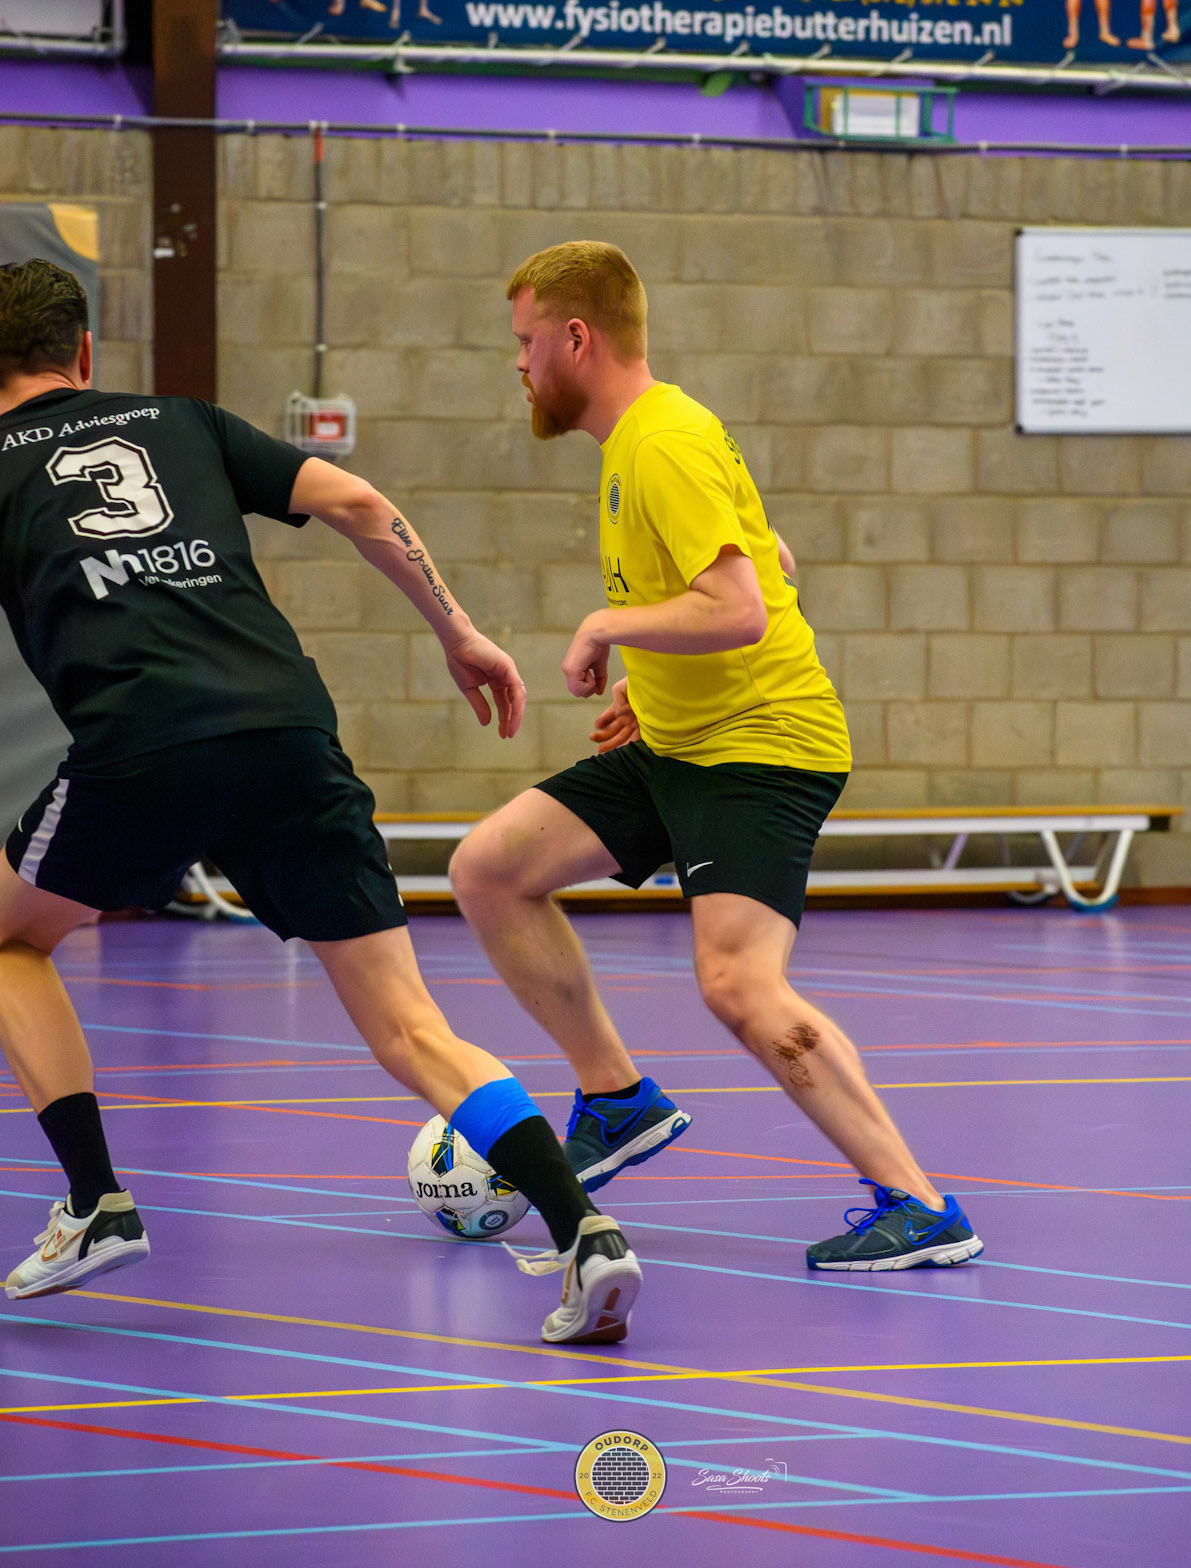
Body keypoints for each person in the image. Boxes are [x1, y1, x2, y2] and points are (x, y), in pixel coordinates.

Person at [0, 259, 639, 1344]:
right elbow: (361, 502)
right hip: (288, 731)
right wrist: (460, 633)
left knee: (12, 941)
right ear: (87, 353)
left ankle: (97, 1201)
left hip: (141, 742)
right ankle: (586, 1232)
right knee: (410, 1027)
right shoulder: (183, 421)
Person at [451, 241, 983, 1274]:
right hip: (678, 741)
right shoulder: (646, 440)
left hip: (761, 748)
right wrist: (652, 677)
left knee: (739, 983)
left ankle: (921, 1206)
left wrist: (607, 627)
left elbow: (739, 609)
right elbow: (771, 558)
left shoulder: (663, 442)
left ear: (576, 338)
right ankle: (616, 1099)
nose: (517, 362)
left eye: (524, 341)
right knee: (491, 869)